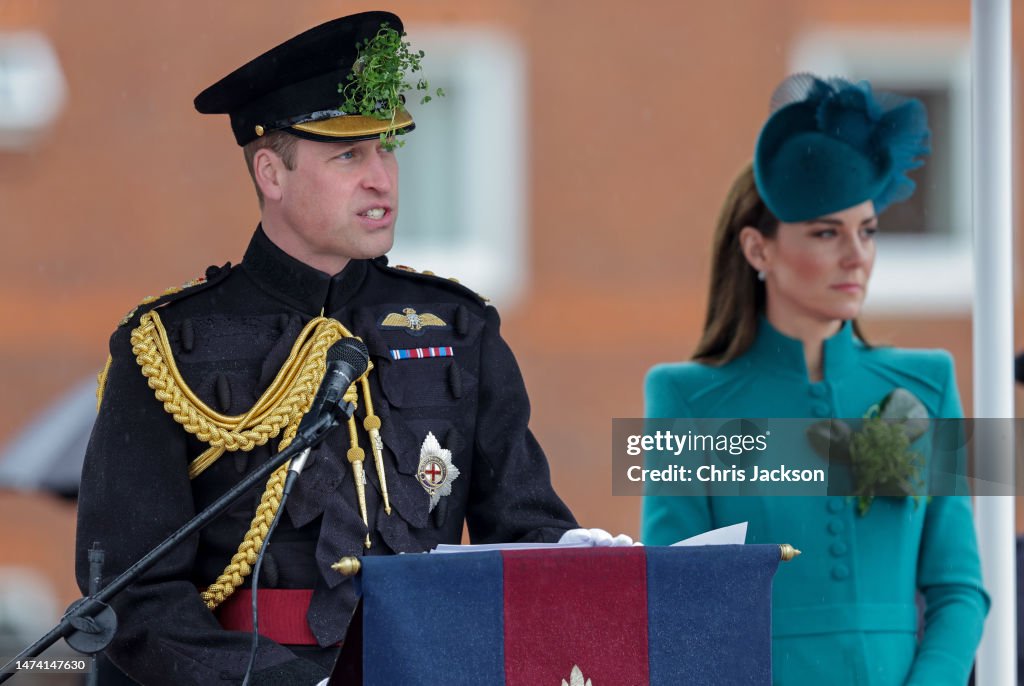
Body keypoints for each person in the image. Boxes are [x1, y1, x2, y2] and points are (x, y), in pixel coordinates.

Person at [75, 12, 627, 685]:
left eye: (387, 149)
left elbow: (517, 518)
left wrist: (566, 552)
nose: (381, 178)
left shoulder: (459, 328)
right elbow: (133, 593)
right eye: (348, 155)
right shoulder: (167, 348)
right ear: (271, 174)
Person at [640, 74, 989, 684]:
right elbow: (678, 602)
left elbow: (959, 591)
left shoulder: (931, 383)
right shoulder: (683, 400)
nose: (856, 255)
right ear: (759, 250)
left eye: (868, 230)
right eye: (827, 233)